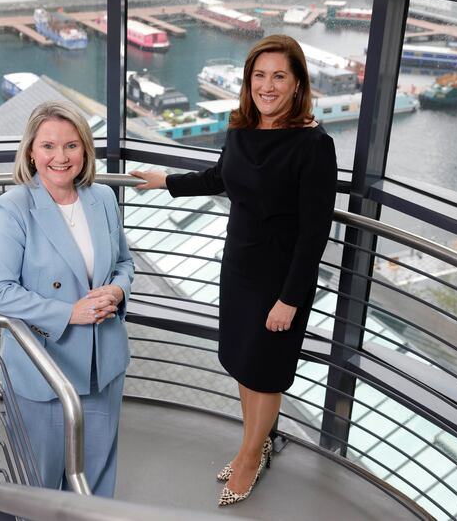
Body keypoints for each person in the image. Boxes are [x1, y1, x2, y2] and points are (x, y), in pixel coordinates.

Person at [131, 35, 337, 506]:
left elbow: (313, 234)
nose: (267, 85)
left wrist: (290, 298)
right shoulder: (241, 129)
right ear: (248, 82)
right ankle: (254, 445)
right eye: (259, 75)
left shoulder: (313, 146)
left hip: (279, 281)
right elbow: (221, 177)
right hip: (239, 269)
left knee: (266, 373)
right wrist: (166, 182)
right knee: (244, 365)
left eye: (279, 76)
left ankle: (248, 458)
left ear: (298, 82)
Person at [0, 100, 134, 497]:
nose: (60, 157)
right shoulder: (13, 208)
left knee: (97, 479)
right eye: (48, 146)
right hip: (44, 367)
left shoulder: (102, 199)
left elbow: (124, 263)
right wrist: (69, 313)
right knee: (41, 484)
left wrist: (117, 289)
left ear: (85, 149)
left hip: (104, 362)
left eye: (71, 145)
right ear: (31, 151)